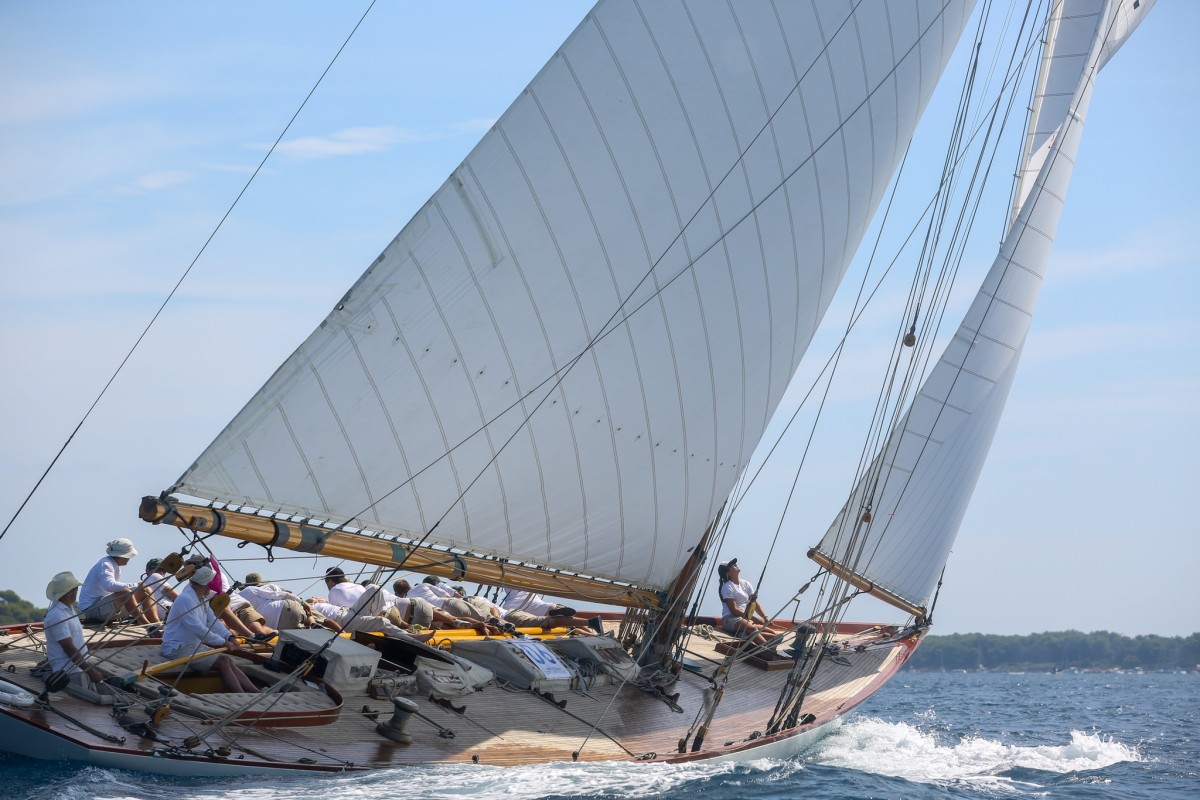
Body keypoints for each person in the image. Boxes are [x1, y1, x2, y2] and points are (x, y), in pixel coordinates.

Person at [161, 566, 258, 693]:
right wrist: (224, 643)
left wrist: (230, 637)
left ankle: (255, 692)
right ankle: (242, 695)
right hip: (177, 648)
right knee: (223, 662)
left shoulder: (202, 599)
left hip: (192, 646)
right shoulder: (186, 599)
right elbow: (198, 629)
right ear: (206, 584)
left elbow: (212, 622)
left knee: (227, 660)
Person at [78, 538, 160, 625]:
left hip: (103, 607)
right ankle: (148, 626)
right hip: (92, 609)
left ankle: (157, 624)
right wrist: (136, 585)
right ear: (121, 555)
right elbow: (109, 585)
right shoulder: (105, 564)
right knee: (126, 593)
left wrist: (139, 587)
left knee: (147, 590)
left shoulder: (114, 565)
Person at [43, 572, 104, 685]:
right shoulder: (57, 615)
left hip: (77, 668)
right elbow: (69, 648)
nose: (77, 591)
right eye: (76, 588)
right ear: (70, 591)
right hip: (69, 672)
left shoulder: (69, 609)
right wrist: (90, 672)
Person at [717, 558, 771, 648]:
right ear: (728, 573)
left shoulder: (746, 584)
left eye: (735, 564)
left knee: (772, 634)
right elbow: (734, 610)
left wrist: (765, 617)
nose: (735, 565)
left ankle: (743, 634)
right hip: (730, 619)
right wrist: (754, 618)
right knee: (752, 628)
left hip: (745, 619)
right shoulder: (727, 587)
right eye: (732, 565)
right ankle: (766, 651)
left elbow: (754, 603)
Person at [500, 588, 601, 633]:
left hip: (513, 607)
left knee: (565, 625)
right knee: (563, 616)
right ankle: (591, 630)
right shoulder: (527, 588)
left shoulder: (507, 603)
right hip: (538, 604)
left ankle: (590, 629)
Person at [239, 572, 313, 630]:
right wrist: (303, 603)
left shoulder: (242, 594)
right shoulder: (269, 587)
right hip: (288, 608)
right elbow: (284, 595)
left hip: (275, 624)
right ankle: (314, 623)